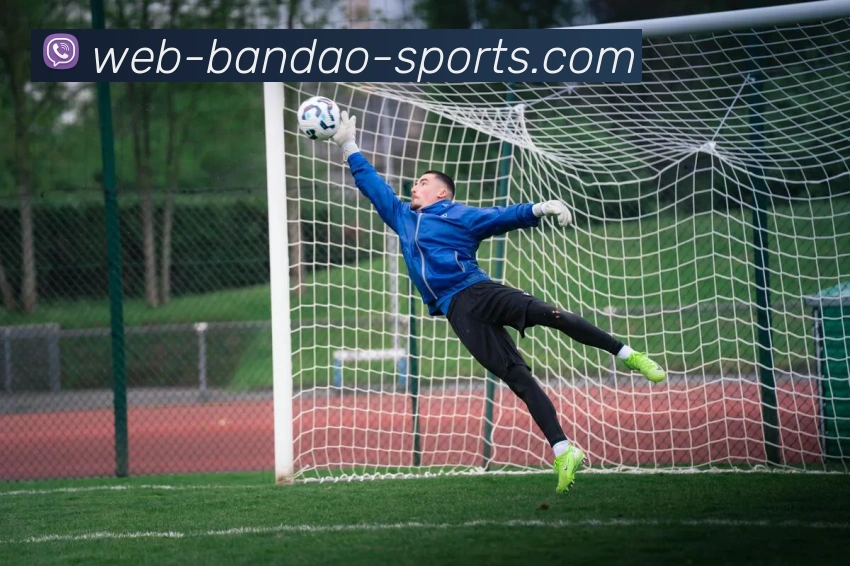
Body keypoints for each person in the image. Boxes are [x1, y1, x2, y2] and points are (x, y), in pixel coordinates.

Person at [329, 111, 665, 493]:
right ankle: (564, 450)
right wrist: (348, 145)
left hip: (479, 291)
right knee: (517, 378)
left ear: (442, 193)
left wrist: (539, 208)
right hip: (458, 311)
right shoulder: (402, 217)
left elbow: (500, 216)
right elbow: (374, 186)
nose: (415, 187)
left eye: (423, 182)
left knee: (549, 314)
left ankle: (626, 354)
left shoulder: (459, 215)